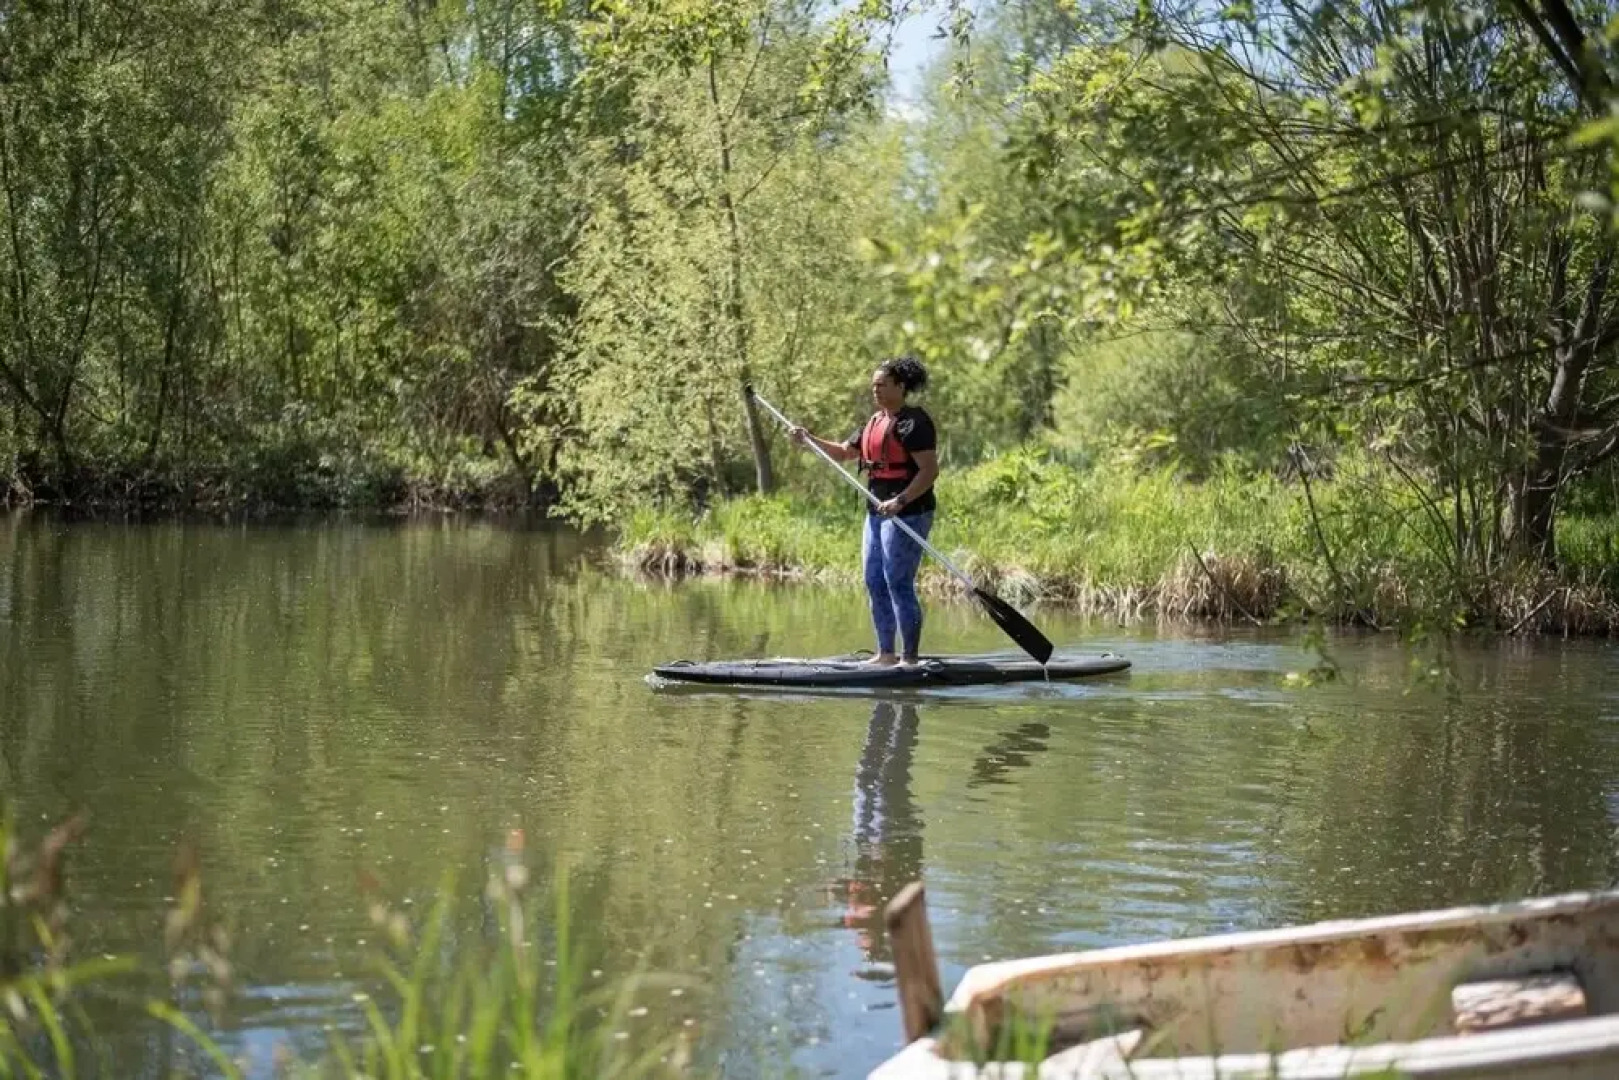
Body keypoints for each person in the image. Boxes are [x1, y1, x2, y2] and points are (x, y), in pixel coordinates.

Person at [790, 356, 939, 667]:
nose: (876, 391)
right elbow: (845, 452)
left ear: (900, 386)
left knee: (898, 581)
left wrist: (901, 500)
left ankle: (909, 659)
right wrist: (808, 440)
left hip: (907, 513)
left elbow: (929, 471)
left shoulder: (913, 423)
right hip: (876, 510)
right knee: (874, 579)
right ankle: (886, 654)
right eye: (873, 386)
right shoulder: (874, 422)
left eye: (882, 385)